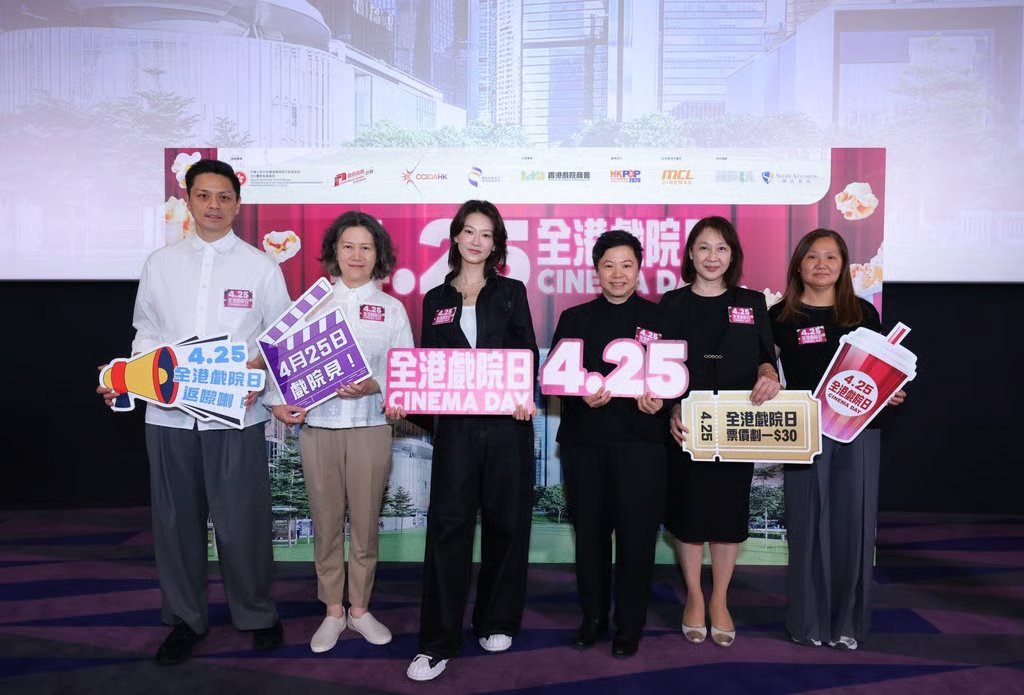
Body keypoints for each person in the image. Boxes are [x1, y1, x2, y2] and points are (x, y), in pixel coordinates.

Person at [97, 159, 290, 665]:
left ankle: (257, 613)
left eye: (224, 197)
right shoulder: (160, 264)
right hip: (169, 417)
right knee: (175, 520)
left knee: (243, 521)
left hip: (237, 415)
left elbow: (279, 339)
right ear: (188, 200)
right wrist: (127, 380)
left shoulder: (261, 267)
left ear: (238, 205)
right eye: (203, 195)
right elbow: (146, 334)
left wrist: (260, 381)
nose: (213, 206)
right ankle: (186, 619)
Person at [268, 211, 413, 653]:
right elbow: (280, 362)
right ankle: (333, 610)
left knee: (365, 526)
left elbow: (405, 371)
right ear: (334, 251)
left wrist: (375, 384)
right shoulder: (309, 304)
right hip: (319, 428)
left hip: (370, 427)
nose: (356, 255)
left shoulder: (391, 309)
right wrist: (278, 402)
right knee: (326, 523)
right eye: (348, 246)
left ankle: (361, 609)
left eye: (366, 247)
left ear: (378, 255)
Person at [405, 200, 538, 682]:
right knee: (448, 529)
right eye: (469, 231)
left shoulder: (511, 292)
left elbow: (526, 352)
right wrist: (407, 400)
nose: (477, 241)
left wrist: (524, 395)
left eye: (486, 234)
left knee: (507, 525)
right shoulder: (435, 299)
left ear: (496, 243)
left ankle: (497, 620)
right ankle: (437, 642)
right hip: (457, 430)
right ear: (456, 237)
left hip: (506, 427)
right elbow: (428, 365)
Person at [770, 228, 905, 651]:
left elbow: (879, 372)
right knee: (807, 528)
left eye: (831, 257)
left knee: (854, 527)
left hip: (858, 433)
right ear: (798, 265)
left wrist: (890, 391)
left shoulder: (862, 313)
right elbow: (759, 364)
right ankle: (807, 622)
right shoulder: (779, 316)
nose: (822, 264)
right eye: (812, 256)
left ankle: (847, 623)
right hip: (805, 432)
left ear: (843, 265)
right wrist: (764, 373)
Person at [661, 216, 780, 648]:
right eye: (704, 248)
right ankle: (695, 596)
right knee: (690, 514)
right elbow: (659, 365)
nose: (712, 257)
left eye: (721, 248)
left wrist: (769, 374)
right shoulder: (671, 303)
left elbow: (766, 356)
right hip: (687, 424)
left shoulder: (751, 302)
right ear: (690, 255)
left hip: (736, 425)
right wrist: (672, 406)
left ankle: (720, 599)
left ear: (733, 256)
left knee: (729, 515)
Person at [550, 230, 669, 658]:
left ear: (639, 269)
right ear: (596, 271)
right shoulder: (574, 318)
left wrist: (662, 400)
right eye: (609, 265)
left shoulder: (660, 318)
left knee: (637, 538)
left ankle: (630, 625)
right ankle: (593, 617)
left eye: (627, 265)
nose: (618, 274)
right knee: (591, 537)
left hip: (643, 447)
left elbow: (679, 378)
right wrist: (579, 394)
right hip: (586, 444)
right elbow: (554, 378)